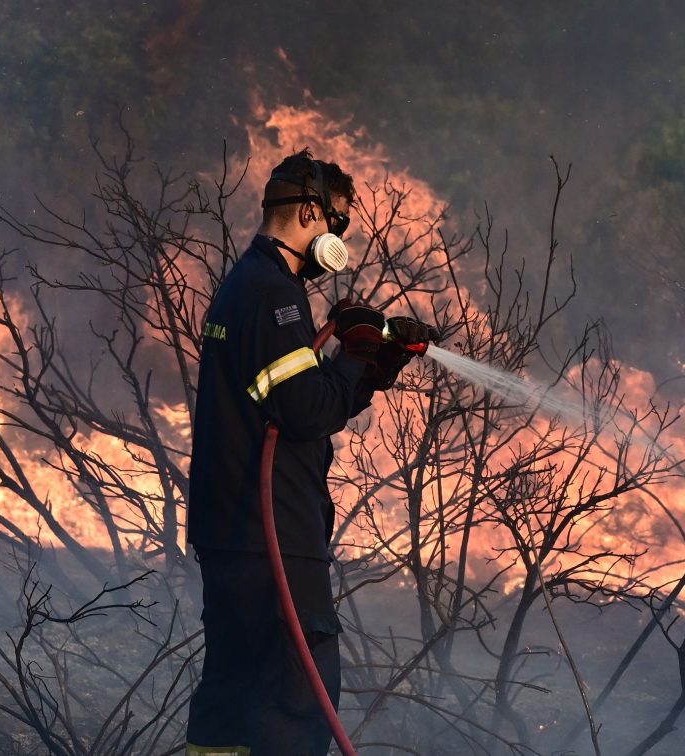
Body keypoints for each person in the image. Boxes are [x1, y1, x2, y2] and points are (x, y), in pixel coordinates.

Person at [184, 150, 436, 755]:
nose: (339, 237)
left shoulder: (246, 284)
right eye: (337, 222)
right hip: (274, 531)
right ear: (306, 211)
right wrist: (351, 354)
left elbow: (297, 400)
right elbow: (304, 414)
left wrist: (375, 365)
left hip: (232, 531)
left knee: (233, 690)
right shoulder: (276, 295)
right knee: (296, 699)